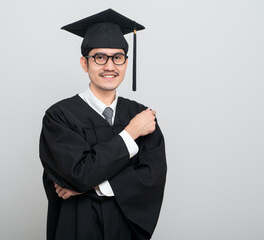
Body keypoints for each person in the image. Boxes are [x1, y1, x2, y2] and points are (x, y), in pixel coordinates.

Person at [39, 9, 167, 240]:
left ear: (126, 63)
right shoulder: (59, 117)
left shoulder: (143, 115)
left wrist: (92, 186)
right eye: (100, 57)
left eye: (117, 57)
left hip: (126, 231)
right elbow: (76, 174)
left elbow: (152, 179)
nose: (110, 66)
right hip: (77, 229)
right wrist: (130, 133)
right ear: (84, 63)